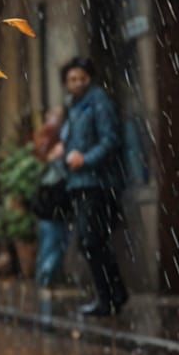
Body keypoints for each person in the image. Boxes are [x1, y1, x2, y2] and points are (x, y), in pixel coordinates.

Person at [60, 57, 128, 315]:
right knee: (94, 241)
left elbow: (110, 140)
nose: (76, 84)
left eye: (81, 78)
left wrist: (85, 159)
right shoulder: (74, 106)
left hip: (97, 183)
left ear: (89, 78)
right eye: (71, 79)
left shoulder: (98, 102)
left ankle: (108, 297)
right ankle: (113, 294)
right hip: (79, 184)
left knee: (91, 241)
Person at [33, 107, 70, 289]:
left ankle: (48, 280)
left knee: (54, 242)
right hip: (53, 200)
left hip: (56, 200)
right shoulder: (50, 137)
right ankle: (45, 281)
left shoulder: (60, 136)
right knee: (52, 243)